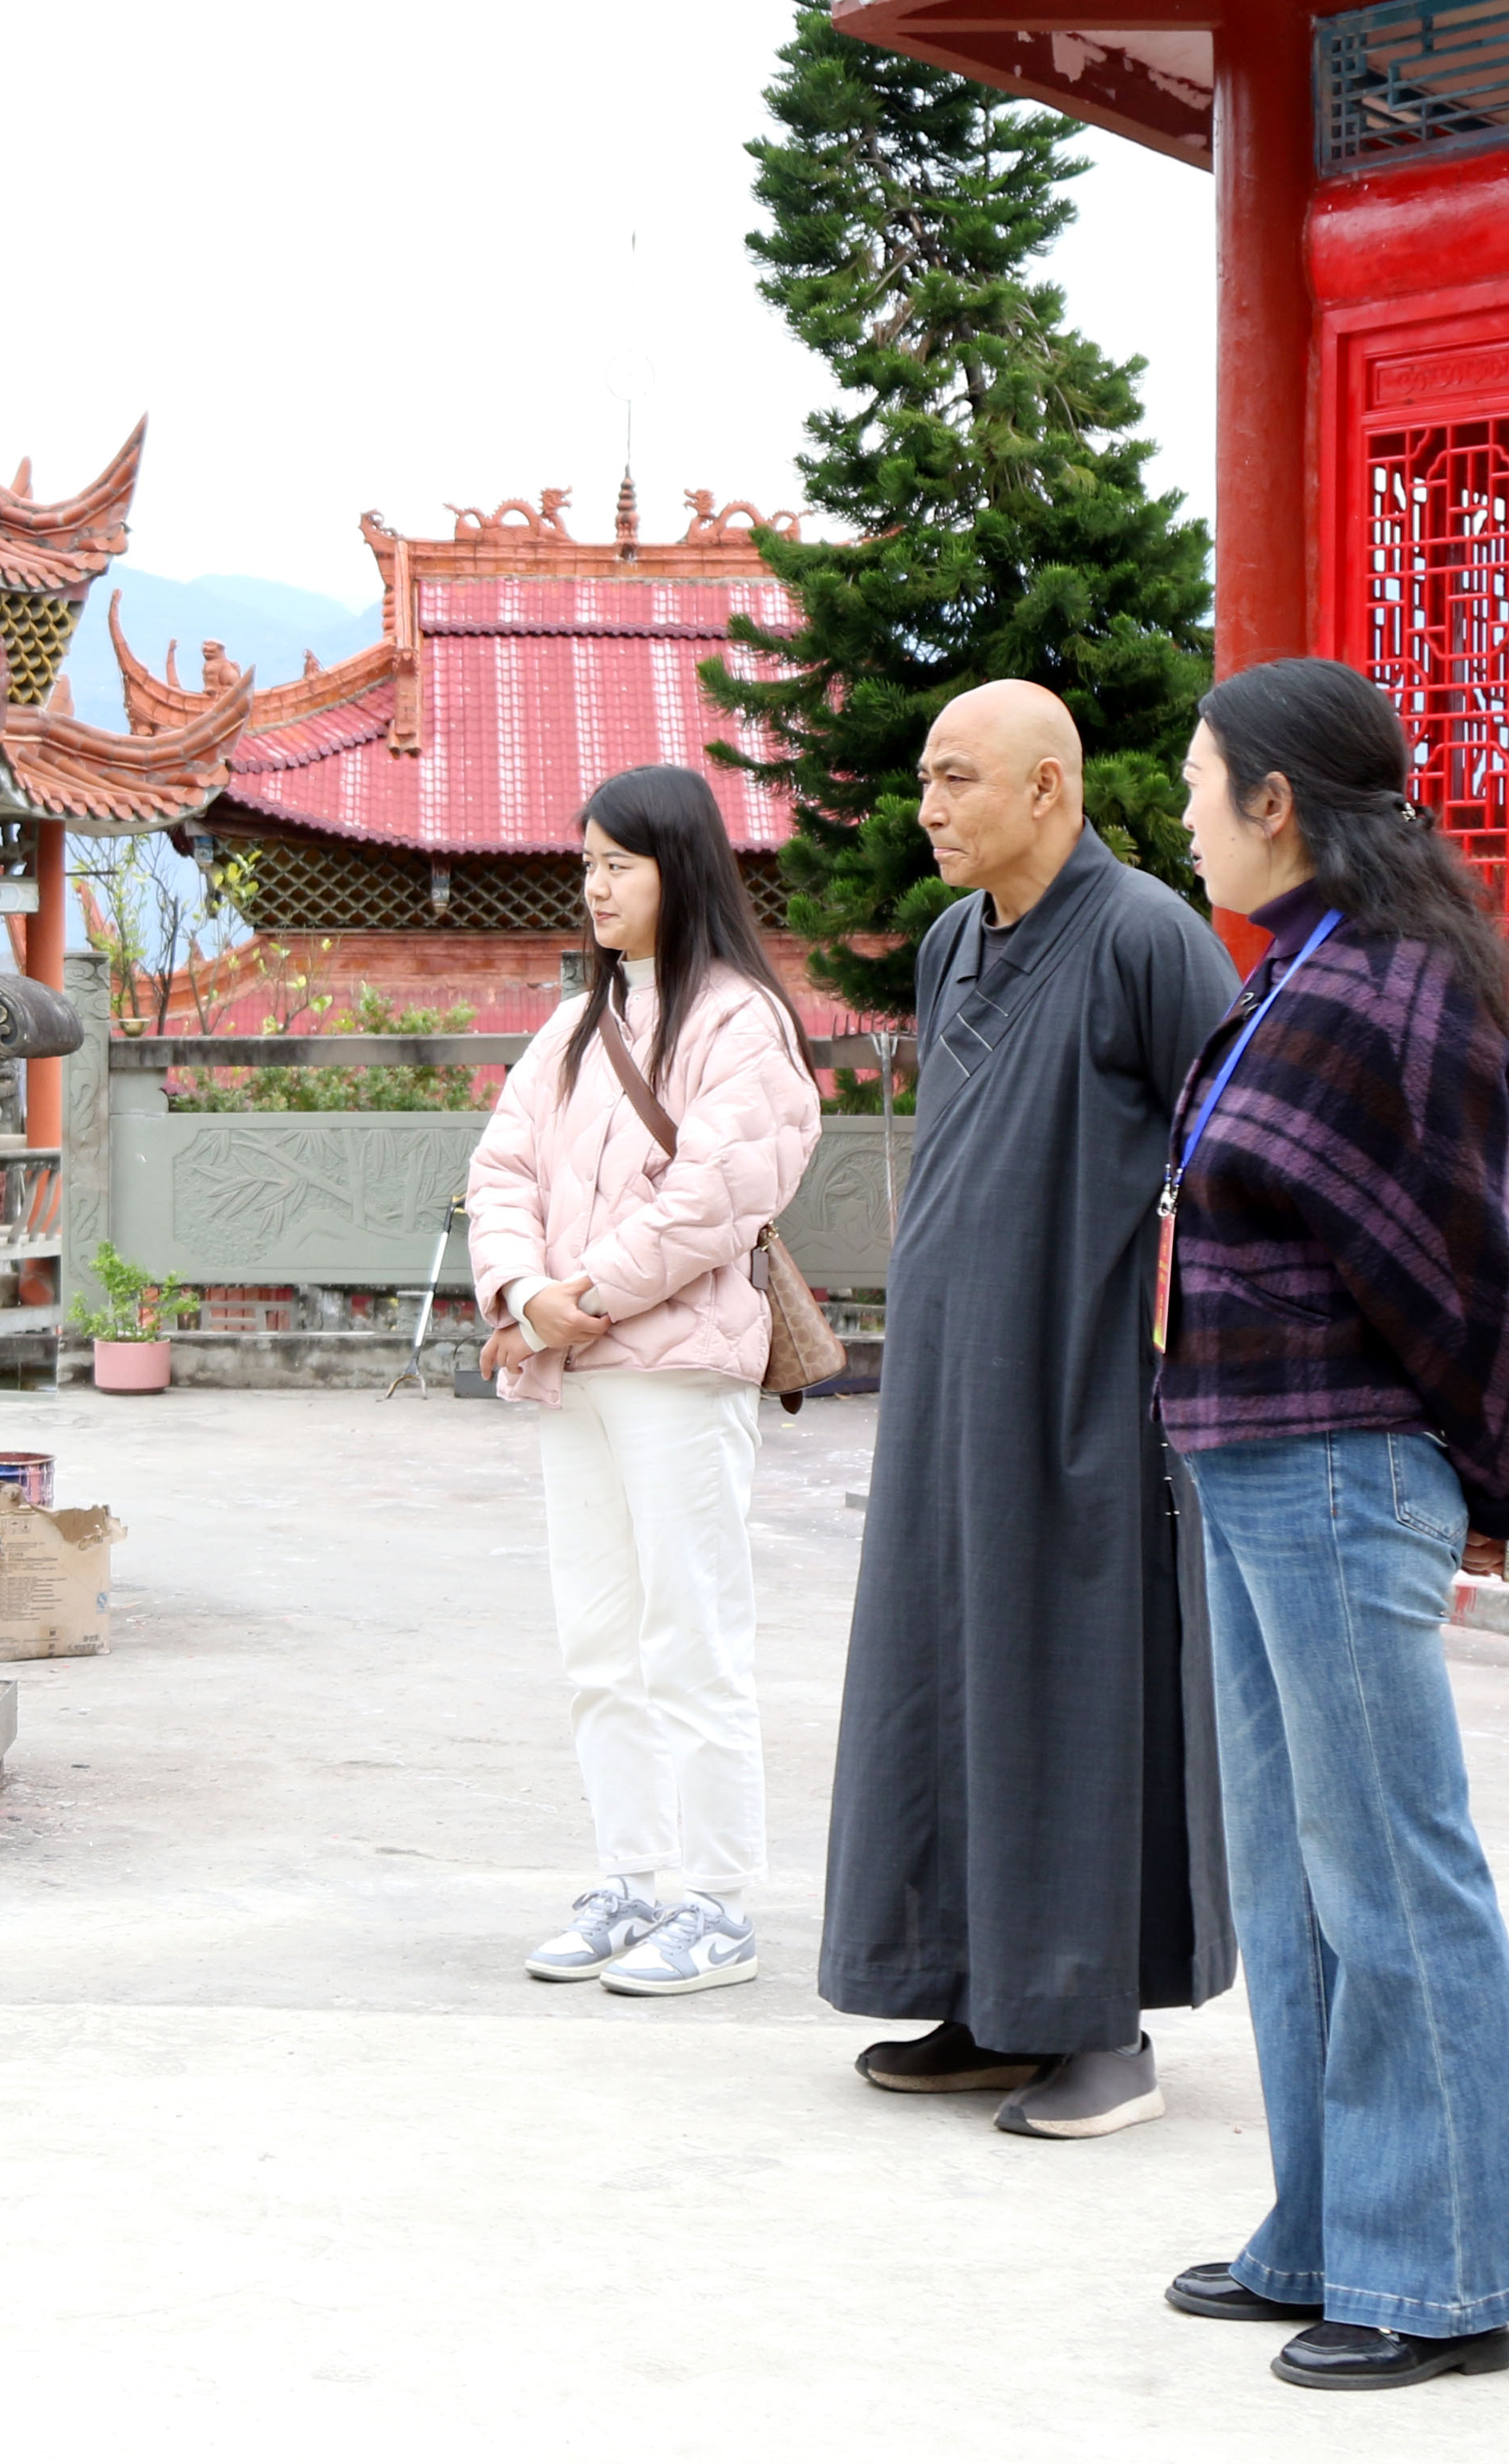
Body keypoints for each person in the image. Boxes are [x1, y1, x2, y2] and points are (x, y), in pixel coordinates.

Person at [1152, 657, 1509, 2389]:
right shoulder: (1309, 971)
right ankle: (1330, 2227)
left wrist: (1503, 1474)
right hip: (1255, 1456)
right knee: (1295, 1873)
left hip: (1335, 1459)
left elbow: (1472, 1262)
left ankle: (1448, 2270)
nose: (1182, 818)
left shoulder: (1388, 986)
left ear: (1278, 803)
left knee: (1391, 1864)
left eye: (1200, 786)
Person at [819, 679, 1242, 2140]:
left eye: (956, 778)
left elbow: (1234, 1163)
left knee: (1076, 1681)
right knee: (946, 1673)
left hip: (1085, 1385)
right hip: (950, 1384)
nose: (927, 806)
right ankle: (980, 1995)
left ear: (1049, 787)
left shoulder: (1145, 938)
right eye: (924, 777)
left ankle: (1099, 2022)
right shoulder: (951, 944)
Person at [466, 766, 821, 2000]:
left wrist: (578, 1299)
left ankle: (716, 1901)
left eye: (620, 863)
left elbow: (718, 1199)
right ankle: (629, 1877)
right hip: (572, 1373)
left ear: (685, 868)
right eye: (588, 863)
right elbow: (501, 1169)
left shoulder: (741, 1025)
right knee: (600, 1640)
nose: (595, 885)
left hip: (674, 1375)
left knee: (692, 1635)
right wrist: (522, 1295)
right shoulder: (573, 1030)